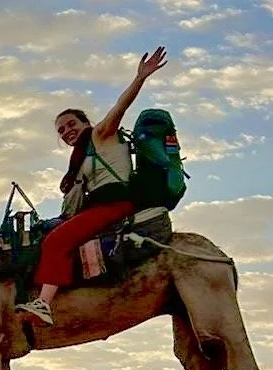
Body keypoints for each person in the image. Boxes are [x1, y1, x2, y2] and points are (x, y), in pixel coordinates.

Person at [18, 47, 168, 326]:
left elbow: (120, 107)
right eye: (61, 130)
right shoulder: (81, 155)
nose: (66, 131)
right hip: (99, 206)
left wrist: (140, 78)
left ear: (86, 122)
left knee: (56, 241)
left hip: (114, 204)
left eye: (70, 124)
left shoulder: (101, 134)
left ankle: (44, 303)